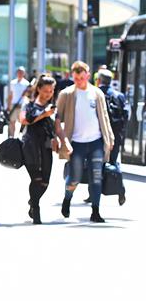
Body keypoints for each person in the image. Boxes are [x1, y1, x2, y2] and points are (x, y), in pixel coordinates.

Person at [54, 61, 114, 223]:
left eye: (81, 77)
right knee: (74, 177)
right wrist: (60, 139)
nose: (79, 81)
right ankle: (67, 199)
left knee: (96, 176)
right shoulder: (66, 94)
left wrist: (109, 137)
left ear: (88, 75)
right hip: (76, 143)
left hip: (95, 142)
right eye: (76, 78)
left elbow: (104, 117)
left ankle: (95, 211)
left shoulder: (97, 93)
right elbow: (57, 118)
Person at [20, 75, 59, 224]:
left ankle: (32, 202)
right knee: (36, 178)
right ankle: (36, 210)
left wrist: (61, 140)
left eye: (51, 91)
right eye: (46, 90)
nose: (49, 93)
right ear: (38, 89)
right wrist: (44, 114)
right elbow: (23, 120)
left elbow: (57, 127)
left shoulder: (53, 108)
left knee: (45, 182)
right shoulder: (29, 105)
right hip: (30, 146)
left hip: (46, 147)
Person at [96, 68, 128, 206]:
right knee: (113, 162)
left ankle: (94, 194)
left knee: (96, 164)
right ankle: (120, 189)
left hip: (98, 135)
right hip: (115, 135)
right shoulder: (119, 95)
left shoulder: (96, 94)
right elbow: (126, 115)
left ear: (99, 80)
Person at [7, 66, 30, 138]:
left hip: (22, 106)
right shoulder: (12, 83)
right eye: (19, 72)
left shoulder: (27, 83)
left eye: (21, 72)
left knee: (22, 123)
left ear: (24, 73)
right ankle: (11, 138)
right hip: (13, 105)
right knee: (12, 122)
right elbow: (10, 95)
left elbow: (29, 96)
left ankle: (21, 138)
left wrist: (26, 93)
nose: (20, 74)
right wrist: (8, 106)